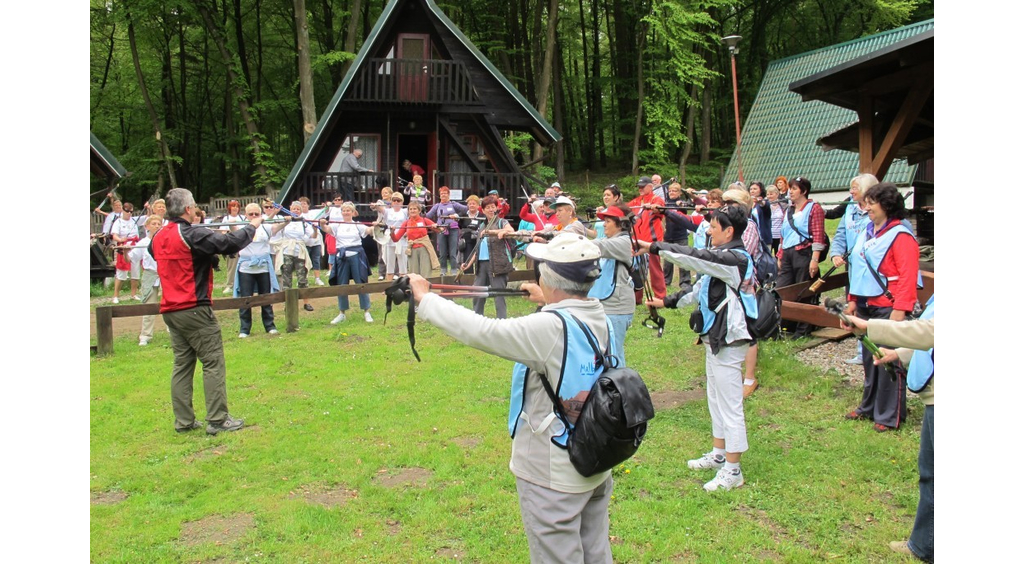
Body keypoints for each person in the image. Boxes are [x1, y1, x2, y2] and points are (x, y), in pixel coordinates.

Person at [408, 232, 616, 563]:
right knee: (595, 553)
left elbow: (484, 331)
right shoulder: (596, 312)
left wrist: (425, 299)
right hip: (595, 461)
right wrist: (550, 299)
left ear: (547, 276)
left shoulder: (548, 328)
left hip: (554, 474)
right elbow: (564, 319)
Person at [642, 204, 756, 491]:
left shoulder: (735, 260)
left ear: (729, 231)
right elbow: (697, 291)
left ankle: (733, 470)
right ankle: (719, 454)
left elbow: (695, 258)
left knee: (730, 405)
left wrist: (655, 247)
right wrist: (665, 302)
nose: (708, 230)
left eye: (714, 227)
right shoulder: (721, 259)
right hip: (714, 338)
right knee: (715, 398)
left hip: (729, 340)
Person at [148, 187, 259, 435]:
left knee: (182, 364)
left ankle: (184, 422)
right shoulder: (192, 234)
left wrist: (205, 258)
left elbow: (158, 253)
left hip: (170, 310)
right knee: (213, 362)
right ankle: (218, 419)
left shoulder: (158, 236)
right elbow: (231, 242)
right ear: (189, 209)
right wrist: (253, 226)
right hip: (193, 308)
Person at [842, 298, 934, 563]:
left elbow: (929, 331)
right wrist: (900, 354)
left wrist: (870, 326)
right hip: (933, 398)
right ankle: (924, 544)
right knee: (930, 474)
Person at [843, 182, 920, 432]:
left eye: (871, 202)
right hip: (866, 304)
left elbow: (908, 276)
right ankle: (869, 406)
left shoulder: (901, 235)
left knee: (888, 361)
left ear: (886, 205)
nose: (867, 207)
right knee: (869, 359)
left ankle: (889, 415)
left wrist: (900, 311)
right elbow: (859, 268)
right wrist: (853, 300)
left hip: (889, 306)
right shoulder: (868, 231)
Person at [830, 173, 880, 365]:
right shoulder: (850, 209)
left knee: (871, 308)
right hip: (853, 268)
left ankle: (877, 348)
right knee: (855, 307)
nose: (851, 192)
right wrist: (836, 253)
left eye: (855, 188)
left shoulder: (875, 212)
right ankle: (862, 351)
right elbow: (841, 233)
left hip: (871, 270)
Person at [722, 188, 765, 399]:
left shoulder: (749, 228)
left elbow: (737, 256)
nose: (726, 205)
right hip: (728, 288)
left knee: (749, 331)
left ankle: (750, 378)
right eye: (725, 201)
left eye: (731, 202)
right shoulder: (727, 226)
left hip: (744, 288)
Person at [777, 176, 827, 339]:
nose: (790, 191)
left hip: (804, 252)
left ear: (803, 191)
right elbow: (783, 234)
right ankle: (787, 324)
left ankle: (803, 328)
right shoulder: (788, 210)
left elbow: (818, 235)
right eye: (790, 188)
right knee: (783, 289)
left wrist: (815, 258)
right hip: (788, 254)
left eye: (794, 188)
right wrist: (780, 254)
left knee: (803, 290)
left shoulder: (814, 208)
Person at [589, 203, 635, 366]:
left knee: (614, 355)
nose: (604, 224)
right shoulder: (612, 240)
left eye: (608, 221)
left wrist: (567, 238)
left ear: (620, 224)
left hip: (617, 308)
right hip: (606, 305)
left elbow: (596, 246)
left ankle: (620, 389)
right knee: (603, 353)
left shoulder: (624, 242)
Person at [323, 201, 375, 324]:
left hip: (356, 255)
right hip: (342, 256)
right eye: (344, 210)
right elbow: (326, 229)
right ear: (341, 212)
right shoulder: (337, 225)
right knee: (342, 285)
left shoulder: (357, 225)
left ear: (353, 212)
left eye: (348, 211)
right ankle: (342, 313)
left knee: (360, 283)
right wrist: (322, 223)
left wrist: (376, 226)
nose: (346, 213)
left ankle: (367, 311)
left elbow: (369, 230)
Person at [465, 195, 516, 318]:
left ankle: (501, 321)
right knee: (477, 293)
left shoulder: (501, 222)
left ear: (496, 208)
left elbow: (511, 231)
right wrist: (468, 263)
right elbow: (478, 248)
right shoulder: (482, 226)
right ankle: (477, 319)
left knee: (499, 295)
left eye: (493, 207)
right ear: (483, 210)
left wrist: (500, 232)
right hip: (481, 264)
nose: (491, 209)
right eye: (488, 207)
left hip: (498, 264)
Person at [234, 203, 280, 338]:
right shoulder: (242, 227)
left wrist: (287, 221)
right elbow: (232, 228)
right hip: (246, 268)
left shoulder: (266, 227)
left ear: (261, 215)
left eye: (256, 214)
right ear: (246, 215)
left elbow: (277, 228)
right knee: (246, 299)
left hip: (263, 267)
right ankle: (244, 329)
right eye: (251, 214)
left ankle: (270, 325)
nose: (254, 216)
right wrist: (231, 222)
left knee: (265, 297)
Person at [273, 201, 316, 312]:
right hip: (287, 250)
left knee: (302, 277)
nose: (296, 211)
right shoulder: (286, 220)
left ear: (301, 211)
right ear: (290, 209)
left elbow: (312, 236)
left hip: (299, 251)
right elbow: (275, 230)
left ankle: (306, 302)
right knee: (286, 278)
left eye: (298, 209)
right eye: (294, 209)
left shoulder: (304, 222)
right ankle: (288, 304)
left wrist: (316, 229)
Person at [629, 177, 667, 300]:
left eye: (643, 186)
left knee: (655, 269)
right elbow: (624, 209)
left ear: (650, 186)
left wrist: (652, 206)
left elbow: (660, 207)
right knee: (636, 269)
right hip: (637, 240)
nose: (640, 188)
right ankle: (637, 296)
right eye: (639, 186)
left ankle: (660, 296)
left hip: (652, 240)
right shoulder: (636, 201)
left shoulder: (656, 199)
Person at [128, 215, 164, 346]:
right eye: (153, 223)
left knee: (171, 304)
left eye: (158, 224)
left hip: (165, 275)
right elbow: (131, 258)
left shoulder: (165, 240)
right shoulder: (143, 243)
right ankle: (145, 335)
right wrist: (125, 252)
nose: (156, 226)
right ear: (147, 226)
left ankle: (173, 331)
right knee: (149, 306)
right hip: (150, 275)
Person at [662, 182, 699, 292]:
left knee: (683, 258)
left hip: (681, 236)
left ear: (679, 193)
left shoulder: (681, 203)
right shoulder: (665, 203)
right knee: (667, 260)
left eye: (674, 191)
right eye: (670, 191)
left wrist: (684, 200)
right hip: (668, 235)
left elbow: (689, 204)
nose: (672, 193)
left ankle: (685, 282)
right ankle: (666, 281)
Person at [425, 186, 468, 276]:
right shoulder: (437, 206)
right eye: (441, 193)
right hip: (441, 230)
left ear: (449, 194)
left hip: (453, 230)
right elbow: (427, 216)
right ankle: (443, 271)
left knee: (453, 252)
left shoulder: (453, 204)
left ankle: (453, 271)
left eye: (445, 193)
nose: (443, 195)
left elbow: (465, 209)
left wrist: (456, 215)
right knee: (442, 252)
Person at [391, 201, 439, 277]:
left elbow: (439, 230)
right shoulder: (406, 223)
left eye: (415, 209)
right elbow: (396, 239)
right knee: (414, 274)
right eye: (410, 209)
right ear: (408, 211)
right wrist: (392, 232)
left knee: (425, 273)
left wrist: (436, 226)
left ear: (419, 210)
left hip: (424, 248)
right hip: (412, 249)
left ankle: (425, 288)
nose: (412, 211)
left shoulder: (424, 220)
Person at [111, 202, 142, 303]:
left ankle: (133, 294)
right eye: (127, 211)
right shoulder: (118, 222)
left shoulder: (133, 221)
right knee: (121, 273)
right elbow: (114, 235)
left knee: (135, 272)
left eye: (131, 211)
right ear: (123, 211)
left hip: (134, 247)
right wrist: (120, 239)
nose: (129, 213)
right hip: (123, 247)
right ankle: (116, 295)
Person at [217, 200, 245, 295]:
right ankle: (230, 285)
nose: (235, 208)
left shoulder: (243, 217)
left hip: (242, 244)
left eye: (237, 206)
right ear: (230, 208)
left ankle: (242, 284)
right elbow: (222, 231)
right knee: (231, 266)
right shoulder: (226, 218)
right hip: (231, 244)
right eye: (233, 206)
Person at [299, 196, 326, 286]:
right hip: (305, 241)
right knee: (304, 261)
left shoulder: (314, 213)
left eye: (304, 204)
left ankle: (317, 278)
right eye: (301, 204)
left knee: (316, 260)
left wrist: (327, 206)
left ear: (308, 205)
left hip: (316, 241)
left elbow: (325, 211)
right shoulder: (298, 216)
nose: (303, 206)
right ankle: (304, 278)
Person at [382, 192, 409, 280]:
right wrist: (375, 205)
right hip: (390, 240)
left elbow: (414, 208)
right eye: (394, 200)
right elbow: (379, 209)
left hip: (402, 240)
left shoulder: (405, 211)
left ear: (402, 202)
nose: (396, 202)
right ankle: (388, 286)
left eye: (399, 200)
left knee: (403, 265)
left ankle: (403, 286)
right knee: (389, 265)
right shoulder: (387, 211)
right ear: (391, 202)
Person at [458, 194, 486, 267]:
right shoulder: (463, 214)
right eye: (470, 204)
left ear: (478, 205)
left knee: (479, 259)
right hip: (467, 241)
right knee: (467, 259)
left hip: (479, 240)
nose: (471, 205)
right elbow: (459, 222)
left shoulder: (482, 215)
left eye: (474, 204)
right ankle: (468, 275)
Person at [749, 182, 773, 246]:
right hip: (751, 239)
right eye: (751, 189)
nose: (752, 191)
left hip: (763, 239)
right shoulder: (748, 204)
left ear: (761, 190)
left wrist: (760, 202)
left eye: (755, 189)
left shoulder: (764, 201)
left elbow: (765, 205)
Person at [766, 185, 787, 255]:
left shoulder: (783, 206)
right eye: (768, 194)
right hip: (769, 236)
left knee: (779, 256)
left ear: (777, 194)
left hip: (779, 236)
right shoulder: (765, 206)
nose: (769, 196)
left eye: (771, 194)